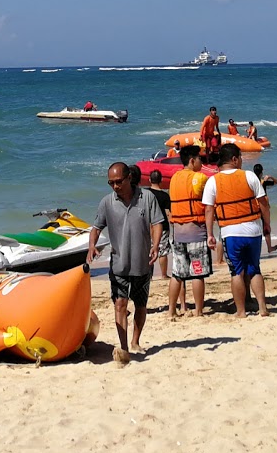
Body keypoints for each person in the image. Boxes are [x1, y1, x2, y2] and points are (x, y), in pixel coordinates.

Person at [86, 161, 164, 365]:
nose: (115, 186)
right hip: (119, 263)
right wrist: (92, 245)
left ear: (129, 177)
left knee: (140, 305)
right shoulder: (107, 202)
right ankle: (124, 347)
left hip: (143, 263)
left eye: (118, 181)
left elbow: (157, 223)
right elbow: (96, 227)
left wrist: (155, 246)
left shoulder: (147, 198)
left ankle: (136, 340)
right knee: (120, 304)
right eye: (110, 183)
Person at [202, 145, 276, 317]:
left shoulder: (213, 181)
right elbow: (263, 203)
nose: (242, 161)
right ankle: (262, 308)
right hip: (253, 230)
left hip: (231, 232)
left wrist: (210, 234)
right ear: (234, 159)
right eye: (241, 157)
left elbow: (208, 210)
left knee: (236, 272)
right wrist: (267, 224)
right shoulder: (249, 176)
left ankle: (241, 311)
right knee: (255, 269)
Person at [166, 146, 213, 318]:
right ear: (192, 161)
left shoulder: (174, 178)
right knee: (197, 273)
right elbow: (208, 201)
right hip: (195, 232)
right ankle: (198, 310)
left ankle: (171, 310)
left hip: (177, 233)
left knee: (177, 274)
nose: (202, 162)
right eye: (200, 159)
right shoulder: (199, 178)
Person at [145, 170, 172, 279]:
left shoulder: (145, 194)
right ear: (161, 181)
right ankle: (164, 274)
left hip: (148, 225)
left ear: (149, 180)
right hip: (163, 225)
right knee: (163, 251)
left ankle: (149, 275)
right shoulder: (165, 196)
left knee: (148, 250)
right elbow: (169, 213)